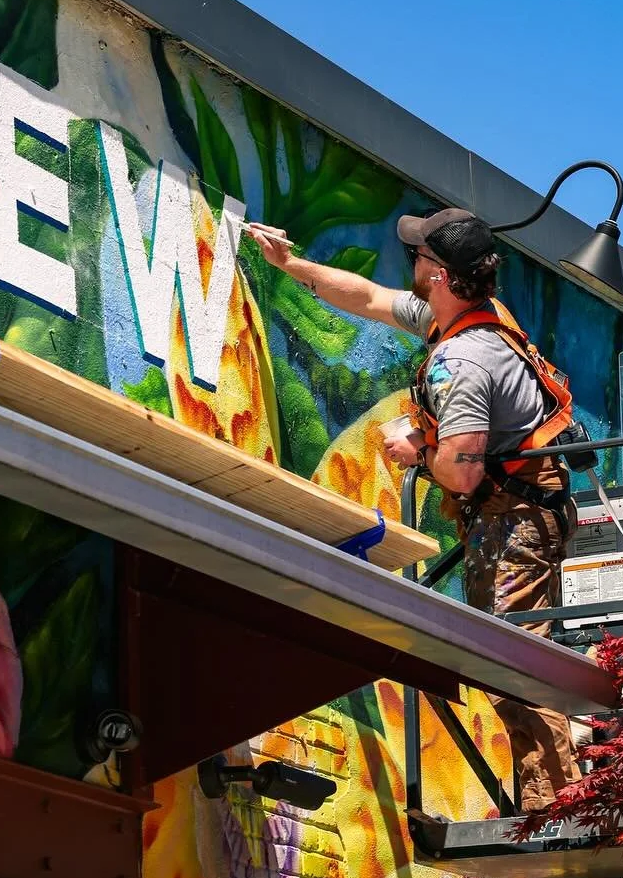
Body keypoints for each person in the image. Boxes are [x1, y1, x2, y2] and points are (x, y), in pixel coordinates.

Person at [244, 206, 583, 811]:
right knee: (512, 663)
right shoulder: (455, 319)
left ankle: (568, 803)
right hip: (515, 513)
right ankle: (548, 801)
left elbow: (463, 466)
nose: (411, 266)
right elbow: (370, 298)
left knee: (517, 665)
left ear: (443, 276)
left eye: (418, 257)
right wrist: (290, 264)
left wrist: (416, 451)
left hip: (515, 521)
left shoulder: (466, 361)